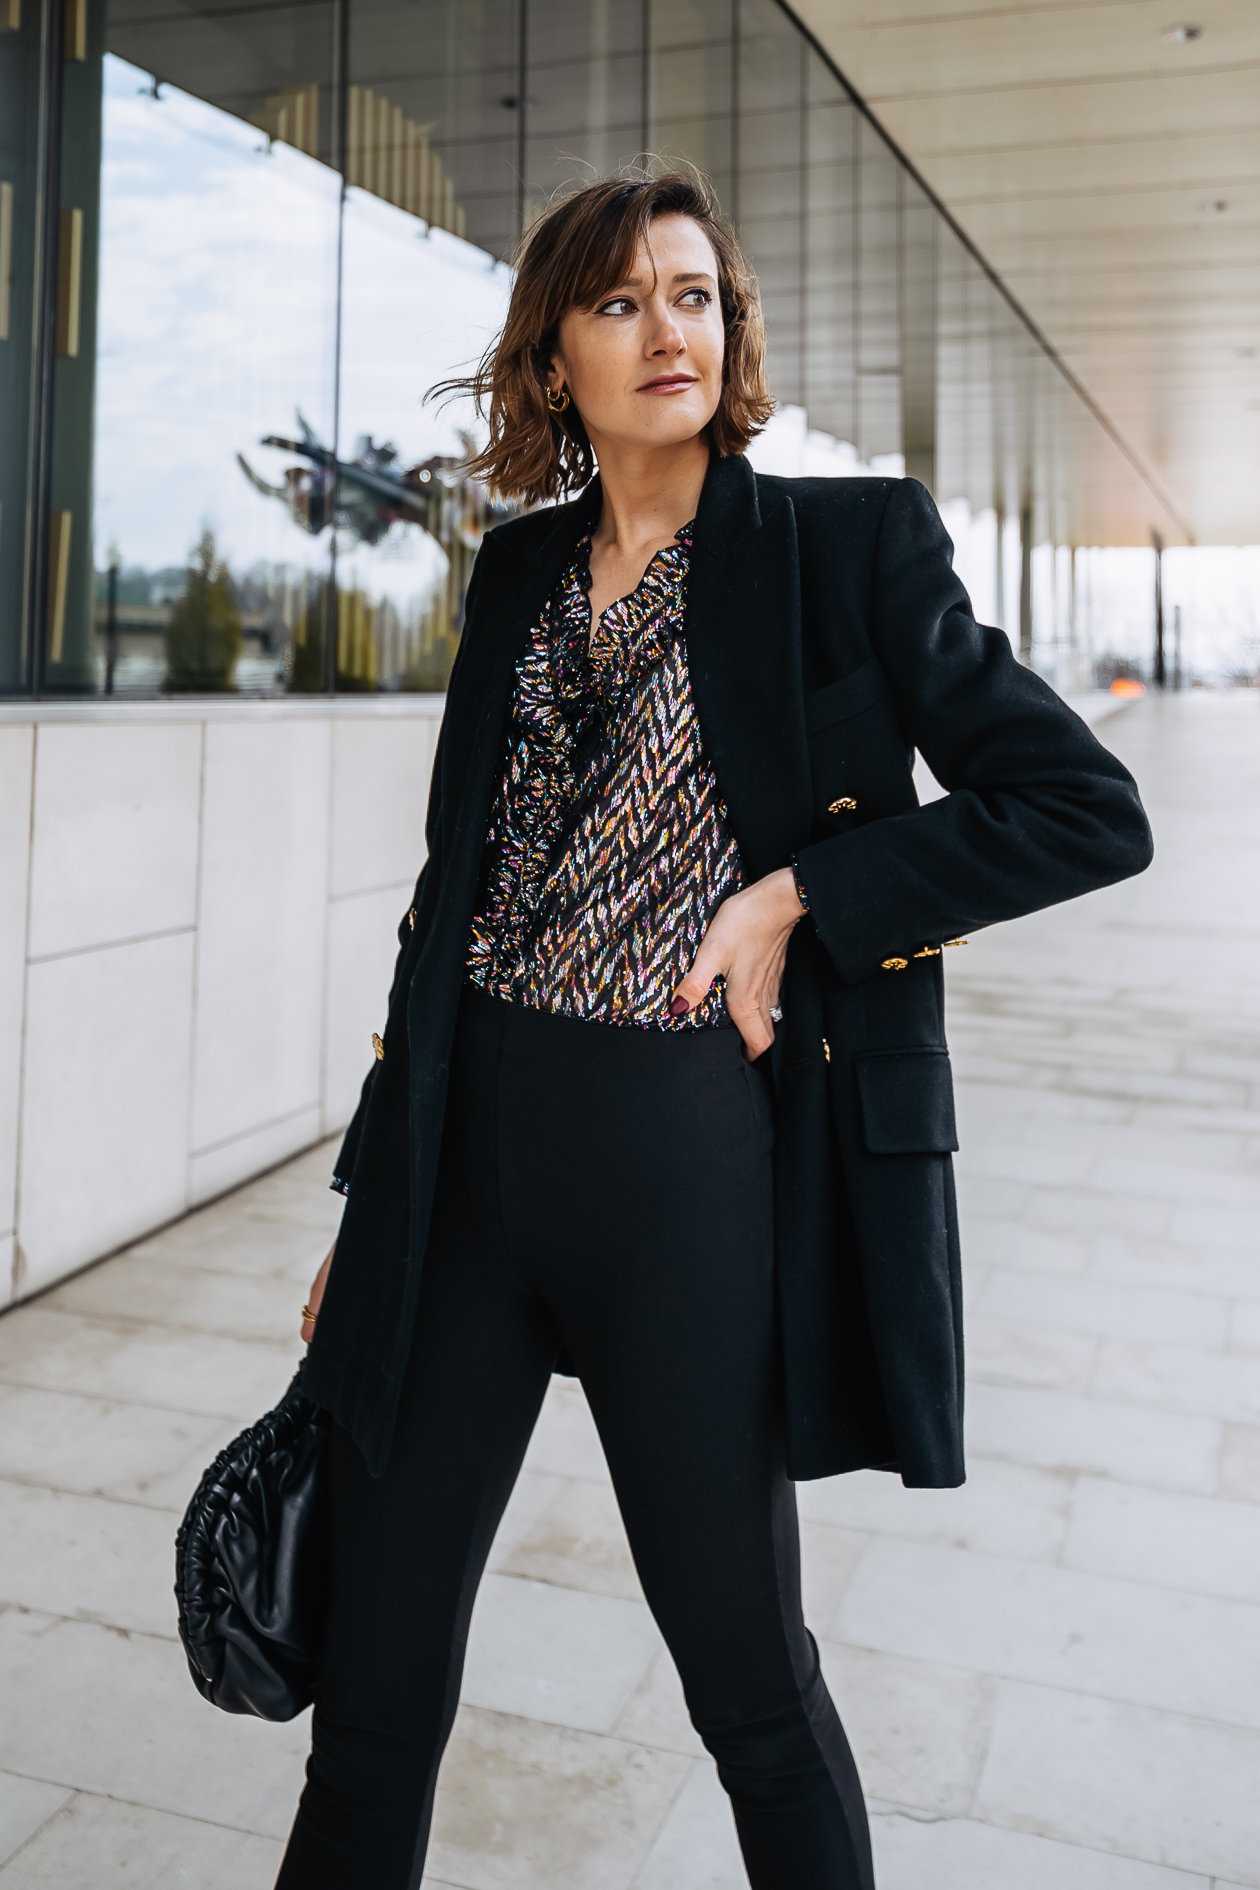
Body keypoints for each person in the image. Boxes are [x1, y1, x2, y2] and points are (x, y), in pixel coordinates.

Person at [277, 171, 1153, 1890]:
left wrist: (799, 895)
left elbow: (1081, 805)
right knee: (371, 1693)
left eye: (693, 293)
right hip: (465, 1166)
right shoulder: (516, 569)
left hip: (682, 1162)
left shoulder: (844, 545)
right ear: (556, 358)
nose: (665, 327)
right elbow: (444, 903)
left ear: (732, 330)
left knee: (748, 1683)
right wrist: (371, 1200)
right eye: (617, 301)